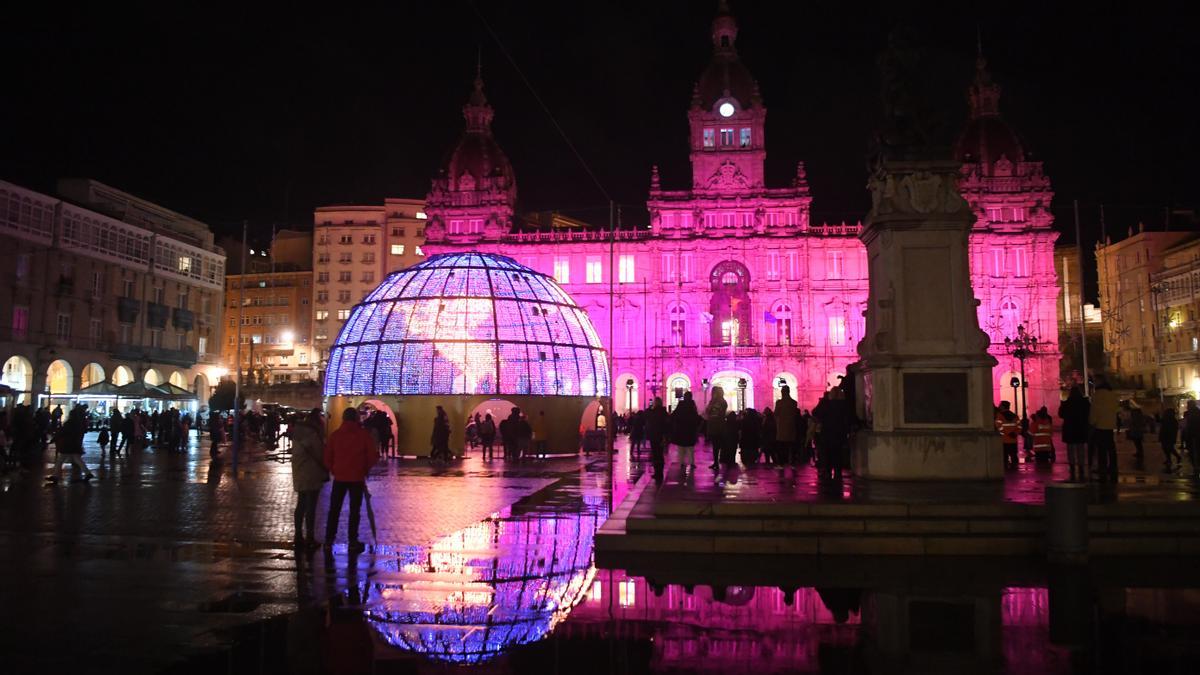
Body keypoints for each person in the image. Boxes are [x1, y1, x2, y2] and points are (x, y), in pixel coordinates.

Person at [324, 407, 379, 552]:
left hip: (340, 478)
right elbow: (372, 456)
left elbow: (327, 456)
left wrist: (334, 470)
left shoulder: (335, 435)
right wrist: (364, 469)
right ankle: (352, 540)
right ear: (356, 418)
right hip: (357, 478)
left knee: (334, 509)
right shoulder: (363, 435)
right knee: (355, 511)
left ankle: (329, 539)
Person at [290, 409, 328, 549]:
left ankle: (298, 534)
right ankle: (310, 536)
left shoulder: (298, 433)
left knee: (301, 504)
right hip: (312, 472)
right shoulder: (313, 434)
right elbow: (320, 454)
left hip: (299, 472)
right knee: (311, 506)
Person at [46, 405, 93, 484]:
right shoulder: (78, 423)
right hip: (74, 444)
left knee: (60, 460)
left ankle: (55, 476)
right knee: (77, 459)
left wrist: (54, 439)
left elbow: (62, 432)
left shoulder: (69, 423)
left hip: (67, 444)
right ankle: (88, 473)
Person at [813, 389, 851, 480]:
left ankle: (828, 472)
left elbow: (815, 412)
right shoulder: (844, 404)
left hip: (826, 432)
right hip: (839, 433)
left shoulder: (826, 403)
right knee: (837, 454)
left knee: (827, 453)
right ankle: (838, 473)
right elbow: (848, 418)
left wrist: (823, 401)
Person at [1089, 377, 1121, 482]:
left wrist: (1092, 422)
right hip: (1110, 425)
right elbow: (1116, 409)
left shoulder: (1097, 395)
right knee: (1111, 448)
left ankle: (1102, 467)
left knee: (1101, 449)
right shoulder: (1112, 395)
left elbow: (1094, 411)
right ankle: (1113, 466)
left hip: (1100, 425)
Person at [1058, 386, 1090, 481]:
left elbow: (1061, 414)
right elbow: (1089, 413)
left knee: (1071, 449)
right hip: (1081, 427)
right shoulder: (1085, 403)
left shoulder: (1066, 403)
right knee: (1081, 448)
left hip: (1070, 428)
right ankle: (1081, 467)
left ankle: (1072, 466)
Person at [670, 391, 701, 471]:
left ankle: (682, 462)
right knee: (690, 448)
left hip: (681, 429)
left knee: (681, 448)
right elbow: (695, 417)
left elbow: (675, 414)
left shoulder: (681, 404)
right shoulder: (692, 405)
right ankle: (692, 462)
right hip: (690, 430)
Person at [644, 397, 669, 481]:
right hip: (661, 436)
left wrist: (650, 406)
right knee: (660, 455)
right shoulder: (663, 412)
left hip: (653, 436)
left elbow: (646, 414)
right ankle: (660, 473)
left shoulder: (652, 412)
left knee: (655, 455)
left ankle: (657, 473)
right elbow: (666, 425)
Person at [774, 386, 799, 467]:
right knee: (791, 447)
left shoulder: (779, 402)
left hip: (781, 428)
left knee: (781, 447)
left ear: (783, 392)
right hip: (791, 427)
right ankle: (792, 463)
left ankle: (781, 463)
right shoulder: (794, 402)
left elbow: (776, 413)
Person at [705, 387, 728, 469]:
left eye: (714, 392)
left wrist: (711, 408)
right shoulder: (714, 402)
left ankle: (719, 461)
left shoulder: (721, 402)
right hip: (714, 425)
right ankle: (716, 462)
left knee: (718, 445)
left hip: (718, 425)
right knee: (715, 445)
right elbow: (707, 411)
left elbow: (717, 412)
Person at [995, 401, 1020, 470]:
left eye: (1000, 405)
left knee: (1004, 456)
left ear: (1003, 406)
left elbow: (999, 426)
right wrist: (1015, 433)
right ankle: (1015, 468)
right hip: (1013, 440)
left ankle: (1006, 468)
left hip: (1004, 440)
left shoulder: (1000, 416)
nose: (999, 406)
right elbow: (1019, 427)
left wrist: (1008, 433)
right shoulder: (1015, 416)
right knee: (1014, 455)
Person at [1160, 407, 1181, 472]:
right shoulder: (1166, 419)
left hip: (1169, 436)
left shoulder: (1173, 420)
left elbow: (1173, 429)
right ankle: (1168, 459)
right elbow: (1160, 421)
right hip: (1164, 436)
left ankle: (1177, 457)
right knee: (1165, 448)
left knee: (1170, 448)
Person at [1185, 400, 1200, 478]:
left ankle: (1196, 469)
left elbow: (1191, 426)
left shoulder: (1194, 413)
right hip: (1194, 436)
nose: (1187, 406)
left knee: (1194, 452)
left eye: (1188, 405)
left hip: (1194, 436)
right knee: (1194, 452)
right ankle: (1196, 468)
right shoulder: (1194, 412)